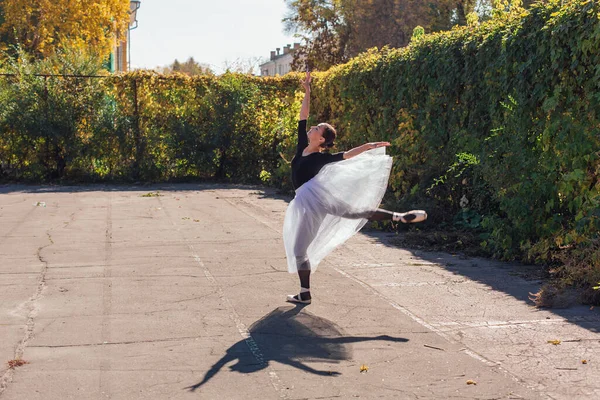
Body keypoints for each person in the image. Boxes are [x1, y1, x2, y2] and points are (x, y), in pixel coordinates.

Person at [283, 71, 427, 305]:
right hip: (314, 199)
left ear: (321, 140)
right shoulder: (303, 148)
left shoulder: (322, 157)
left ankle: (305, 294)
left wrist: (369, 145)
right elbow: (303, 116)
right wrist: (307, 91)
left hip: (310, 201)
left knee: (300, 251)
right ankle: (398, 217)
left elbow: (347, 155)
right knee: (354, 212)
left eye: (316, 129)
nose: (311, 128)